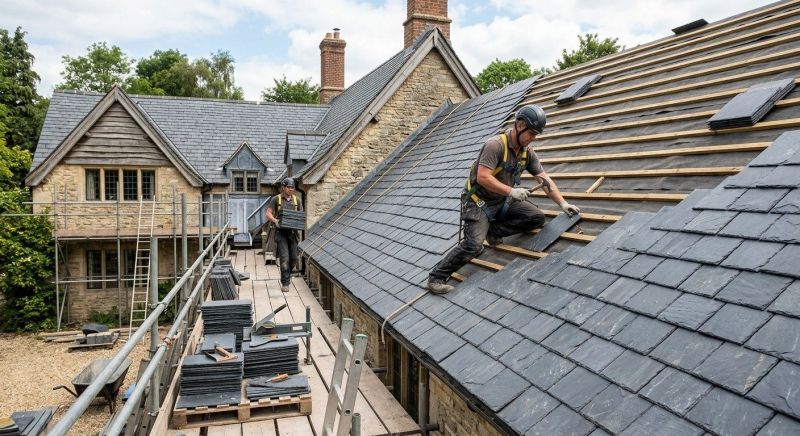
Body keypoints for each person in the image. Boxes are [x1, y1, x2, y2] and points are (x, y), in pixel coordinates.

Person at [427, 105, 580, 294]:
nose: (534, 138)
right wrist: (511, 191)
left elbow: (544, 179)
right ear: (519, 125)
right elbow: (483, 177)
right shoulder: (495, 145)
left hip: (501, 200)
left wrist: (563, 203)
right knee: (473, 246)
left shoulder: (526, 152)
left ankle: (492, 232)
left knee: (536, 218)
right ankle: (436, 277)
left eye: (536, 134)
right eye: (531, 133)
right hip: (478, 202)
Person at [266, 177, 303, 292]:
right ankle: (285, 282)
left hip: (293, 233)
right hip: (281, 233)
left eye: (293, 187)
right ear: (284, 187)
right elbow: (268, 213)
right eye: (289, 187)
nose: (291, 189)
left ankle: (288, 273)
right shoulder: (276, 199)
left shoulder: (297, 200)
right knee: (284, 258)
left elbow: (300, 215)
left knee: (293, 259)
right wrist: (275, 221)